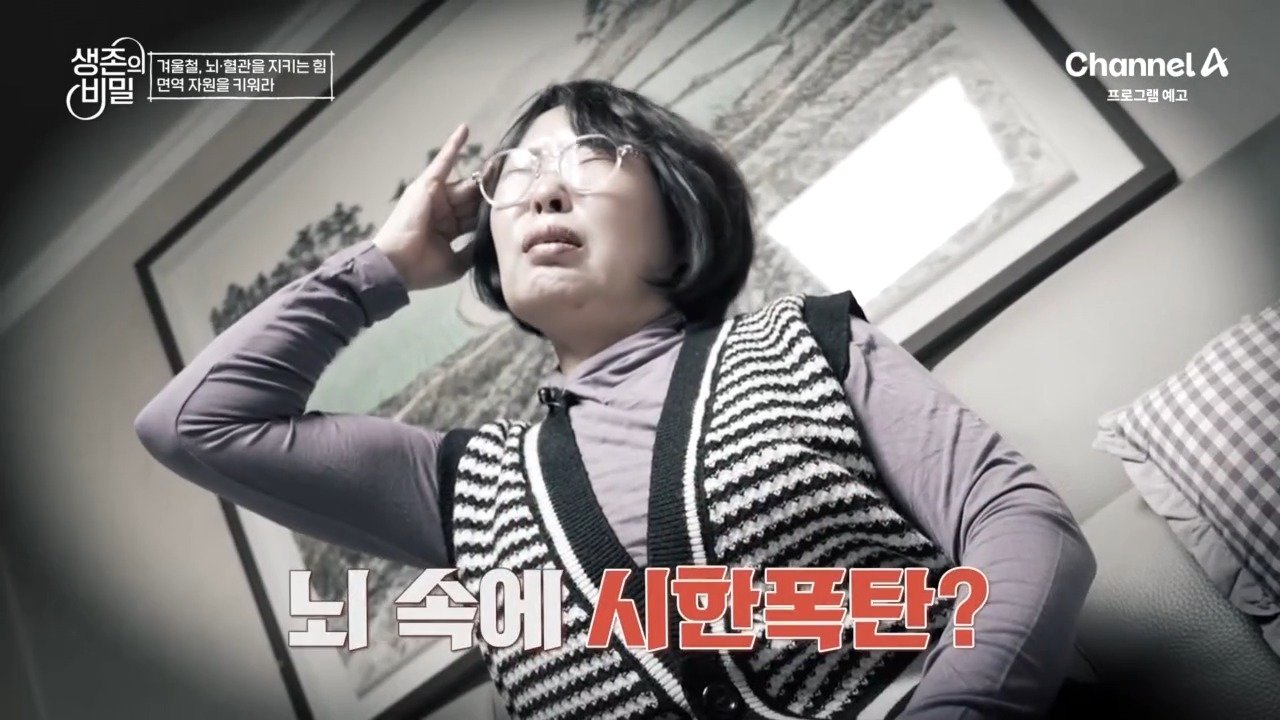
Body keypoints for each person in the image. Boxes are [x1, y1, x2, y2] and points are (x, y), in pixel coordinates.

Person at [134, 79, 1097, 719]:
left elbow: (1020, 527)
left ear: (678, 211)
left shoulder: (806, 342)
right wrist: (381, 266)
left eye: (589, 155)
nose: (543, 190)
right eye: (516, 174)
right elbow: (193, 426)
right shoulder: (461, 487)